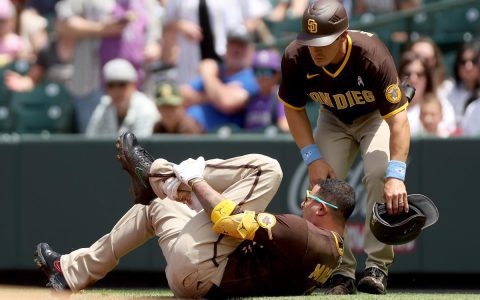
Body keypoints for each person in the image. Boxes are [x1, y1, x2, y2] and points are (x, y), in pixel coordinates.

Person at [34, 131, 356, 298]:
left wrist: (194, 179)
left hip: (203, 267)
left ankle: (161, 174)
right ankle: (69, 271)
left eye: (307, 198)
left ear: (320, 208)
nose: (302, 203)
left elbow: (227, 220)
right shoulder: (331, 258)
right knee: (157, 205)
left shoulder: (303, 234)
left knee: (269, 169)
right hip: (197, 277)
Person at [278, 0, 410, 294]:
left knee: (379, 173)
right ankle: (340, 270)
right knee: (325, 188)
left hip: (375, 117)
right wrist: (312, 158)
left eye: (323, 41)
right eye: (310, 41)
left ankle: (377, 266)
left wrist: (396, 174)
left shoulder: (372, 55)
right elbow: (293, 109)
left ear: (343, 35)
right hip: (332, 118)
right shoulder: (296, 56)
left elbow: (399, 122)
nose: (315, 48)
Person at [180, 26, 259, 132]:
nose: (236, 49)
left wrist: (208, 74)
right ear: (226, 46)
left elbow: (226, 102)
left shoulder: (251, 77)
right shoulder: (217, 71)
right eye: (233, 44)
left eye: (241, 45)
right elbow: (180, 96)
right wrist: (219, 92)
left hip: (222, 140)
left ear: (251, 50)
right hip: (190, 136)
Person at [85, 59, 160, 137]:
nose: (116, 90)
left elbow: (141, 146)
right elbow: (90, 141)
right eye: (111, 85)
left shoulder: (145, 108)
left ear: (134, 85)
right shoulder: (103, 106)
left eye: (122, 84)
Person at [398, 50, 456, 136]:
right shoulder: (391, 107)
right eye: (408, 74)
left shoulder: (443, 106)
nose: (413, 79)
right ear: (399, 76)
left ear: (427, 78)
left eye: (419, 74)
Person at [244, 48, 289, 132]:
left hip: (270, 143)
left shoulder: (282, 96)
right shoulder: (250, 96)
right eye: (257, 71)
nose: (262, 77)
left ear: (278, 74)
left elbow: (285, 125)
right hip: (249, 143)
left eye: (267, 72)